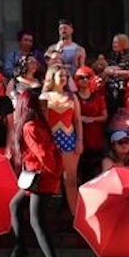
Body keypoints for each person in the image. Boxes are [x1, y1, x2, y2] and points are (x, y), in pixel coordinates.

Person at [3, 90, 65, 257]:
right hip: (38, 176)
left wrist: (52, 175)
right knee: (15, 205)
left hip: (40, 177)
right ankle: (20, 249)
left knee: (37, 221)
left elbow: (43, 154)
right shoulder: (38, 123)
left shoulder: (28, 127)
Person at [39, 64, 83, 213]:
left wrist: (79, 141)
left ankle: (75, 214)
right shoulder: (44, 97)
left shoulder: (72, 96)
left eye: (66, 76)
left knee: (70, 179)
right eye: (60, 76)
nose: (64, 78)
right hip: (49, 141)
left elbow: (77, 121)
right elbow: (41, 123)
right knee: (49, 178)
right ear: (52, 77)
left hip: (68, 140)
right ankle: (45, 213)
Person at [74, 66, 107, 179]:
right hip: (79, 137)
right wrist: (80, 118)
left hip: (95, 137)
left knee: (95, 171)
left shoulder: (98, 97)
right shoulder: (74, 98)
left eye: (87, 77)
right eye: (81, 77)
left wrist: (93, 119)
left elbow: (105, 117)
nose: (84, 80)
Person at [103, 34, 129, 118]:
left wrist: (115, 72)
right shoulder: (111, 55)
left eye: (116, 42)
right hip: (110, 88)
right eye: (113, 42)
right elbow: (106, 70)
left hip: (124, 88)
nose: (114, 45)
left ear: (123, 43)